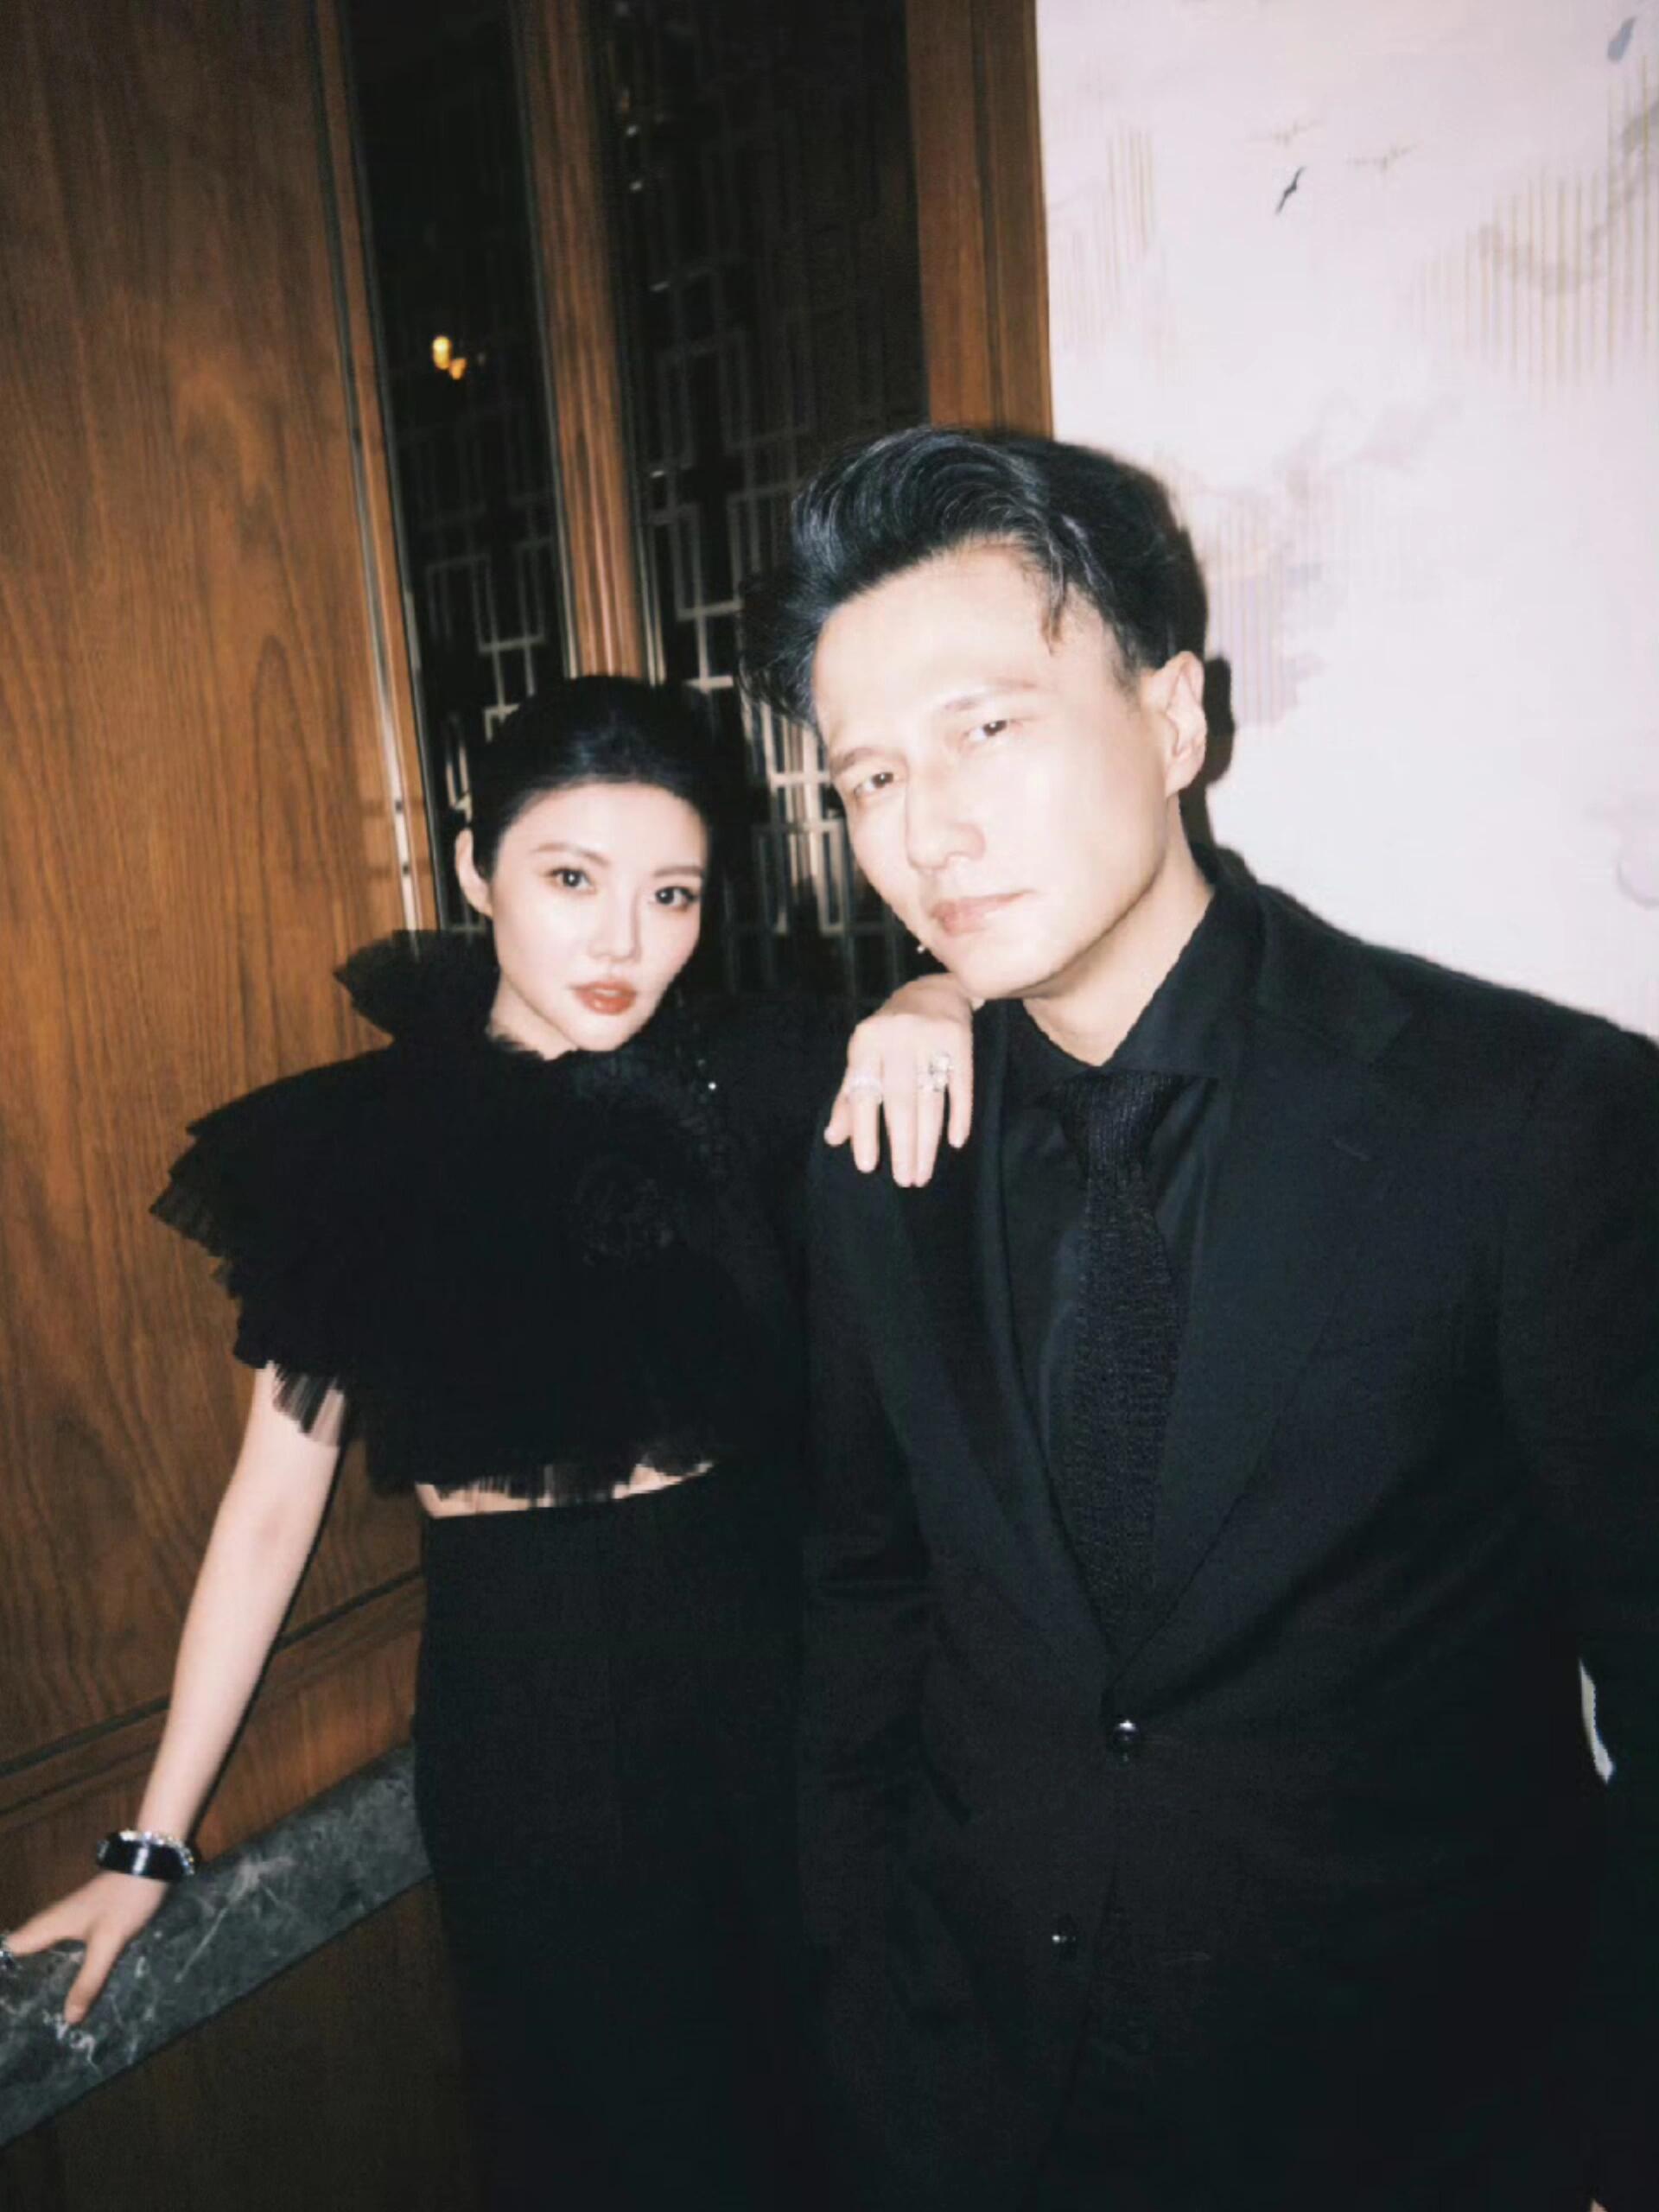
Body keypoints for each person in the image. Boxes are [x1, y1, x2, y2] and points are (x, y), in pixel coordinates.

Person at [737, 427, 1659, 2212]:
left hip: (1415, 2125)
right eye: (870, 777)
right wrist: (863, 2011)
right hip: (975, 2108)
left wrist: (1618, 2131)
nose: (927, 828)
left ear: (1174, 720)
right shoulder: (882, 1158)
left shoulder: (1523, 1121)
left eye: (987, 729)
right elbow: (867, 1604)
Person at [1, 677, 974, 2210]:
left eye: (671, 895)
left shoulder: (754, 1073)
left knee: (831, 2110)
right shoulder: (359, 1151)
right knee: (608, 2143)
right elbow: (268, 1514)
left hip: (780, 1683)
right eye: (571, 879)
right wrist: (149, 1847)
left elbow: (1035, 1000)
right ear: (474, 868)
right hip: (531, 1719)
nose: (623, 942)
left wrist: (933, 999)